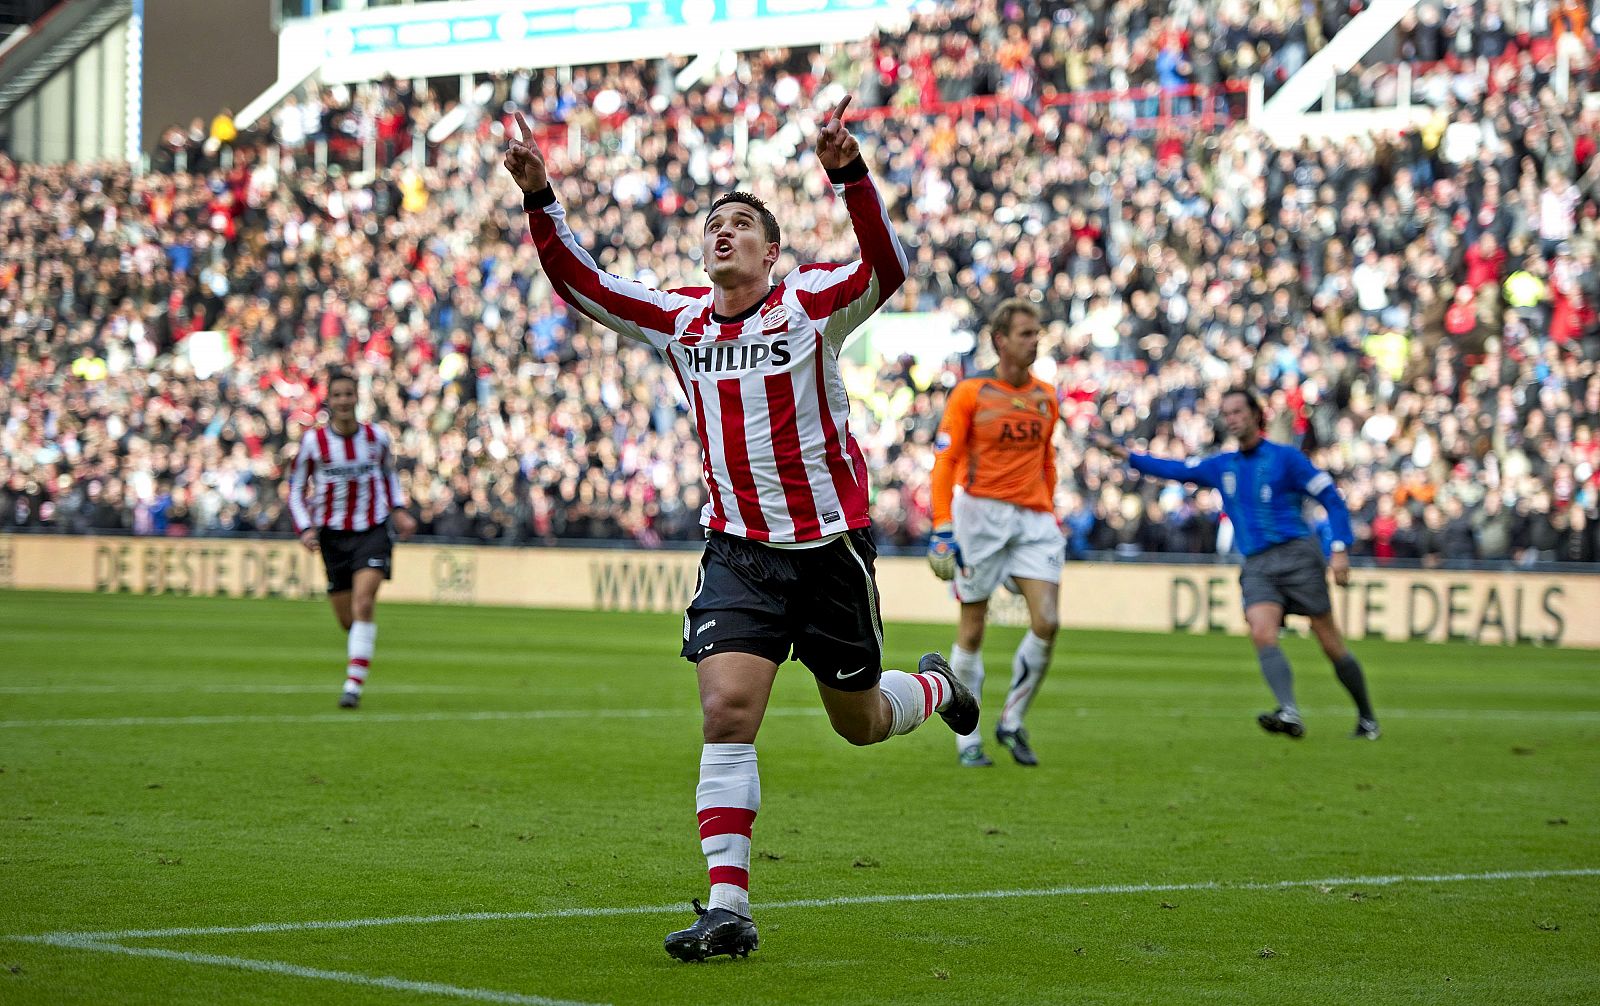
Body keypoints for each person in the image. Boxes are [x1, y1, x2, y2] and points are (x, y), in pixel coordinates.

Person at [503, 97, 979, 963]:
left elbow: (886, 268)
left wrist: (850, 175)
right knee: (727, 711)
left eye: (741, 225)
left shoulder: (809, 306)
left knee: (862, 723)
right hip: (738, 554)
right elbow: (589, 285)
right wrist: (543, 200)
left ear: (771, 250)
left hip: (829, 549)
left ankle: (937, 689)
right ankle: (729, 907)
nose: (722, 234)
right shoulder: (681, 321)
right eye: (714, 225)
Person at [1093, 389, 1378, 741]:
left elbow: (1331, 498)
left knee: (1330, 642)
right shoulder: (1221, 465)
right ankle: (1288, 710)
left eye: (1238, 411)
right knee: (1261, 631)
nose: (1232, 418)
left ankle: (1366, 718)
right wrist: (1126, 455)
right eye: (1226, 413)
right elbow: (1176, 470)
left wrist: (1339, 548)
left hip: (1297, 556)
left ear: (1256, 414)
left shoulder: (1286, 459)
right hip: (1256, 562)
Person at [926, 298, 1063, 767]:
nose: (1035, 340)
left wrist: (1051, 508)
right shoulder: (971, 393)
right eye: (1025, 333)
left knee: (1047, 621)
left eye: (1037, 331)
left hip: (1034, 519)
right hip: (979, 515)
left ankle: (1011, 720)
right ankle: (968, 739)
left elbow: (1047, 462)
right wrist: (942, 525)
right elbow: (945, 462)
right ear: (1000, 340)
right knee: (973, 627)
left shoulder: (1047, 397)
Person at [288, 369, 417, 709]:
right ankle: (361, 650)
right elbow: (296, 490)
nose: (344, 400)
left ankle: (352, 688)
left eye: (350, 394)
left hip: (373, 530)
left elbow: (389, 475)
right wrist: (305, 528)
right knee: (348, 619)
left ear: (357, 398)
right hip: (332, 536)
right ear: (329, 400)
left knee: (364, 603)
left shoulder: (377, 437)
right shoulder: (314, 443)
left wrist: (399, 509)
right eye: (339, 395)